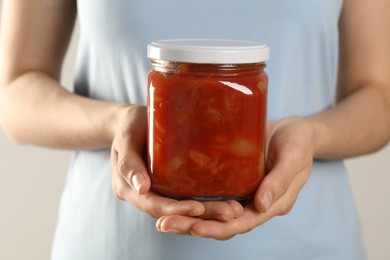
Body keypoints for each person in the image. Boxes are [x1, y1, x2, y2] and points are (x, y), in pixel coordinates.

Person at [1, 0, 389, 259]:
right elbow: (15, 91)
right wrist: (115, 120)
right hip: (112, 245)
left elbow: (379, 95)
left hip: (305, 246)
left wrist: (312, 135)